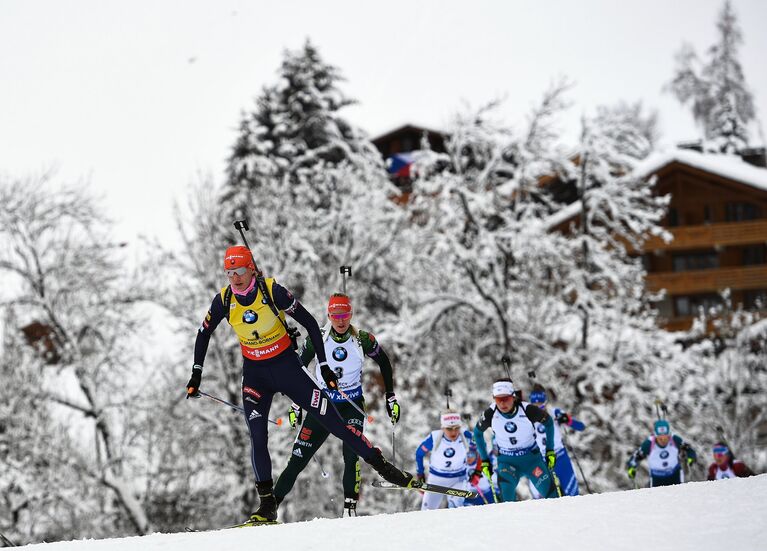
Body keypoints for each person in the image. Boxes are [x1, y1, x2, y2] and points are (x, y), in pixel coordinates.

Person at [185, 246, 413, 524]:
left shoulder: (272, 292)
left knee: (336, 424)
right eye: (229, 273)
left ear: (252, 270)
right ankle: (267, 505)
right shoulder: (224, 300)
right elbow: (203, 332)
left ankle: (383, 467)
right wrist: (197, 372)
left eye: (240, 272)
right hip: (255, 375)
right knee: (257, 437)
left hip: (287, 369)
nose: (235, 278)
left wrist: (325, 366)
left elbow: (311, 324)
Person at [274, 293, 400, 517]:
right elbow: (298, 369)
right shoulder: (317, 338)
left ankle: (349, 509)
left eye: (344, 315)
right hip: (322, 405)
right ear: (329, 316)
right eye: (335, 315)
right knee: (297, 459)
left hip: (351, 405)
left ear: (350, 314)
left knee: (351, 455)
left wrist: (390, 397)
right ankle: (269, 508)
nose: (340, 321)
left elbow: (384, 362)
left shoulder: (362, 340)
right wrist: (296, 405)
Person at [472, 378, 559, 502]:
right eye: (498, 399)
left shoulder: (527, 410)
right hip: (507, 463)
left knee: (552, 497)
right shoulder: (490, 414)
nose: (502, 404)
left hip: (532, 461)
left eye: (506, 399)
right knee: (507, 502)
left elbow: (549, 423)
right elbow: (477, 433)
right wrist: (485, 460)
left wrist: (550, 450)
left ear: (513, 397)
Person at [528, 384, 585, 497]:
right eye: (535, 404)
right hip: (540, 461)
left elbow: (581, 427)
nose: (539, 407)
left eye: (541, 403)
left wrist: (567, 420)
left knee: (571, 492)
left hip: (559, 457)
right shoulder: (526, 417)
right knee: (539, 495)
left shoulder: (554, 413)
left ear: (545, 401)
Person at [414, 410, 474, 509]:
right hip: (436, 480)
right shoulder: (434, 437)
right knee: (427, 511)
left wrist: (476, 470)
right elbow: (419, 454)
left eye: (457, 428)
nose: (454, 432)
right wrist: (420, 475)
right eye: (449, 429)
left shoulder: (466, 436)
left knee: (456, 506)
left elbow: (481, 448)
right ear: (443, 427)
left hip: (458, 479)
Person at [626, 419, 697, 487]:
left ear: (669, 435)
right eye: (660, 438)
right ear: (656, 436)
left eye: (666, 438)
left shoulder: (675, 439)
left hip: (675, 475)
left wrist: (691, 457)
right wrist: (631, 467)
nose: (663, 440)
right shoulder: (649, 444)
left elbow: (689, 449)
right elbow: (635, 457)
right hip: (657, 478)